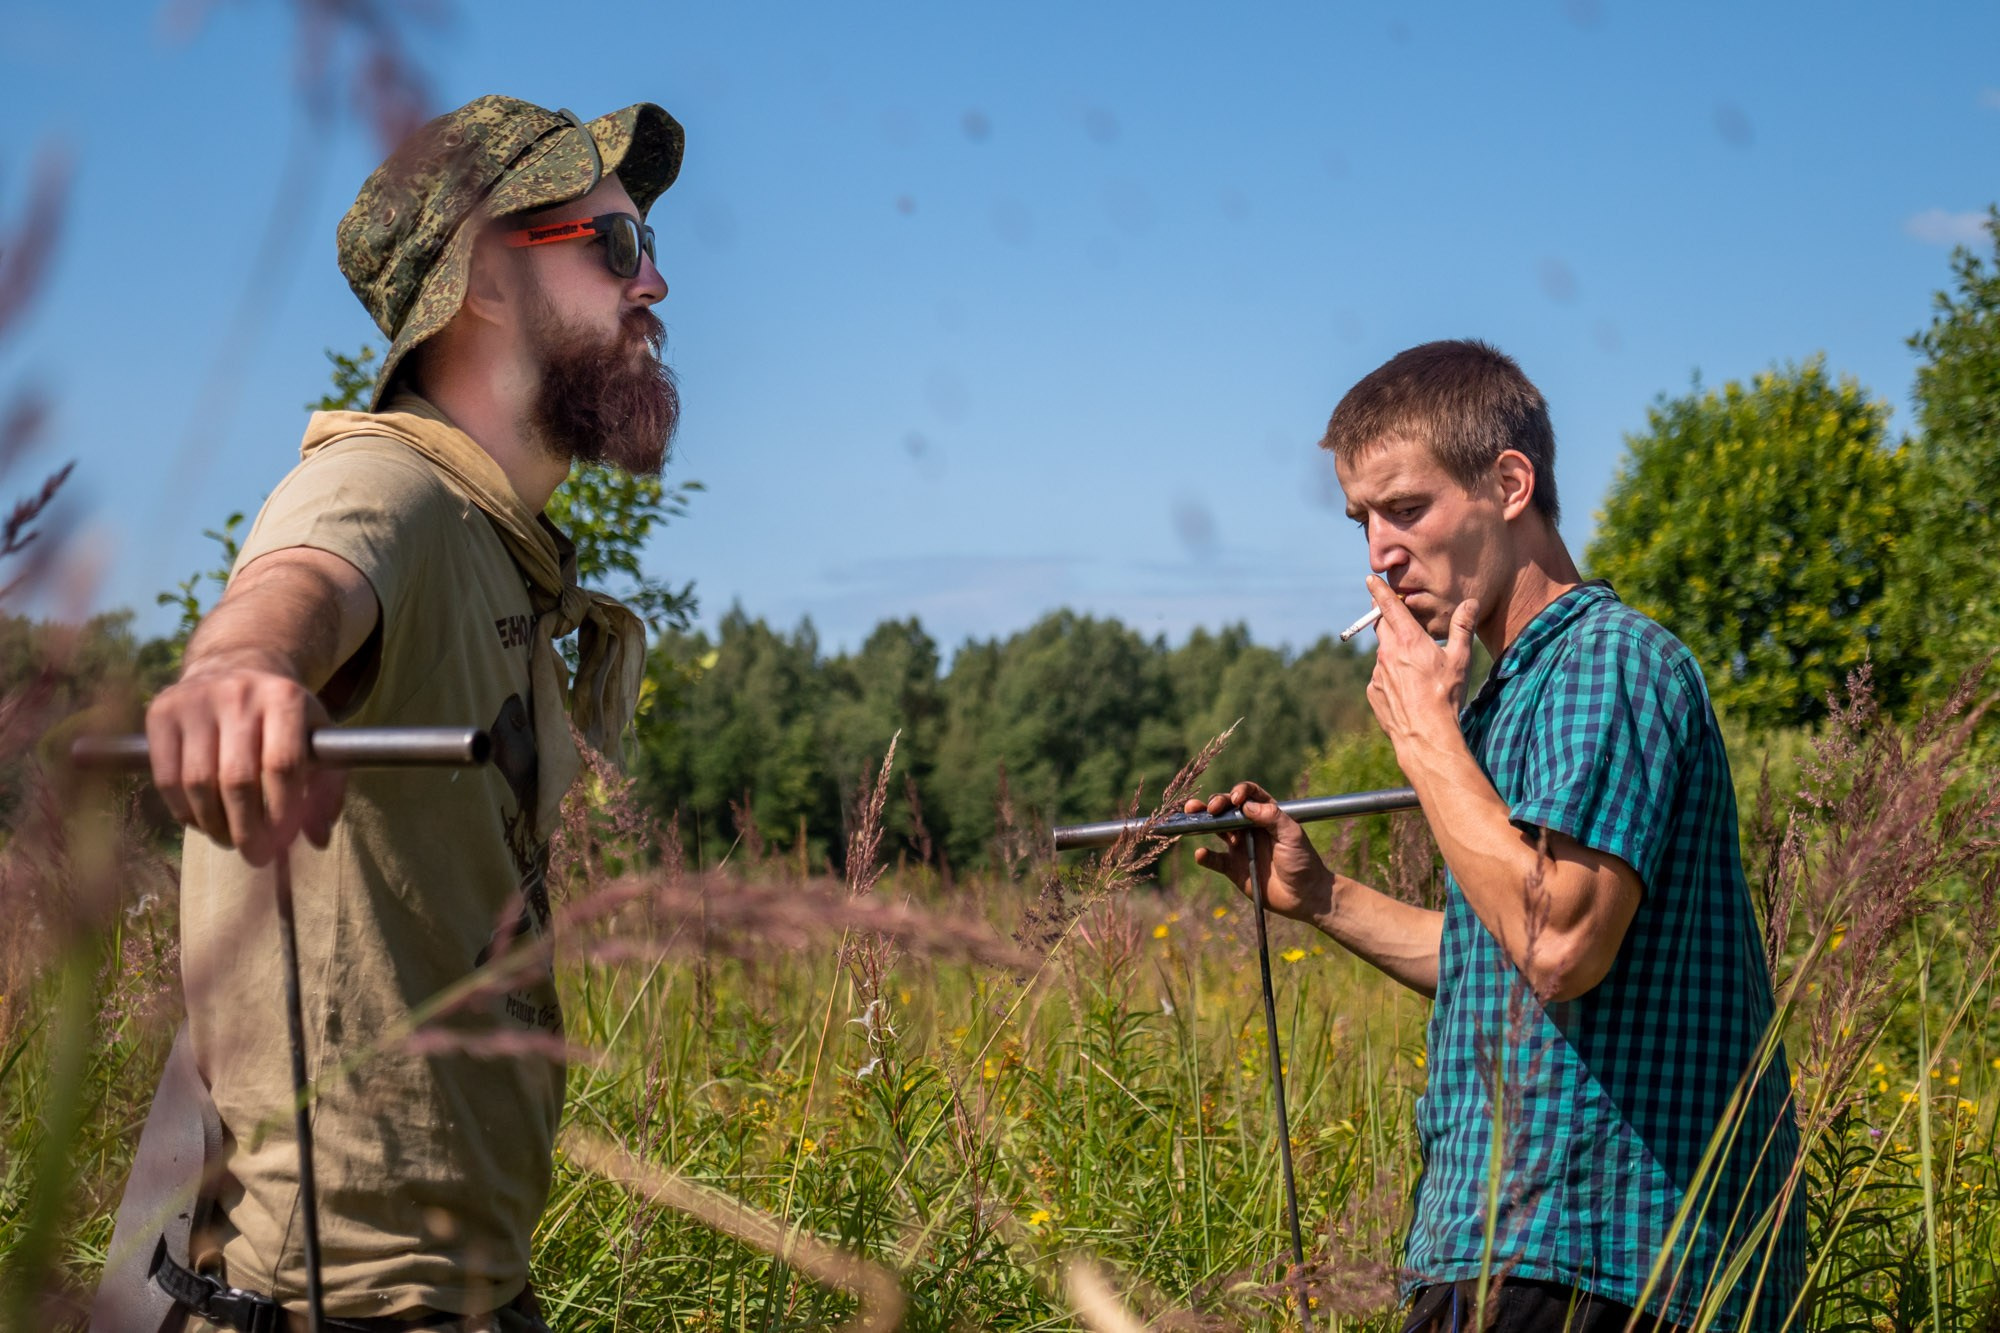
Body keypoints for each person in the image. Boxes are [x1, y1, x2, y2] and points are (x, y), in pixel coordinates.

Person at [106, 94, 685, 1332]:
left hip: (463, 1298)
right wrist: (237, 675)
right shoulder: (388, 485)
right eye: (617, 247)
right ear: (484, 280)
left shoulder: (494, 539)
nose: (658, 284)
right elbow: (293, 586)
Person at [1188, 340, 1804, 1332]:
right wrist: (1320, 896)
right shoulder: (1502, 697)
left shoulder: (1607, 661)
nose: (1378, 554)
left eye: (1406, 508)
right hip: (1512, 1245)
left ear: (1508, 484)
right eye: (1361, 521)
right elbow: (1495, 953)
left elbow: (1557, 944)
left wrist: (1425, 737)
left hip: (1600, 1252)